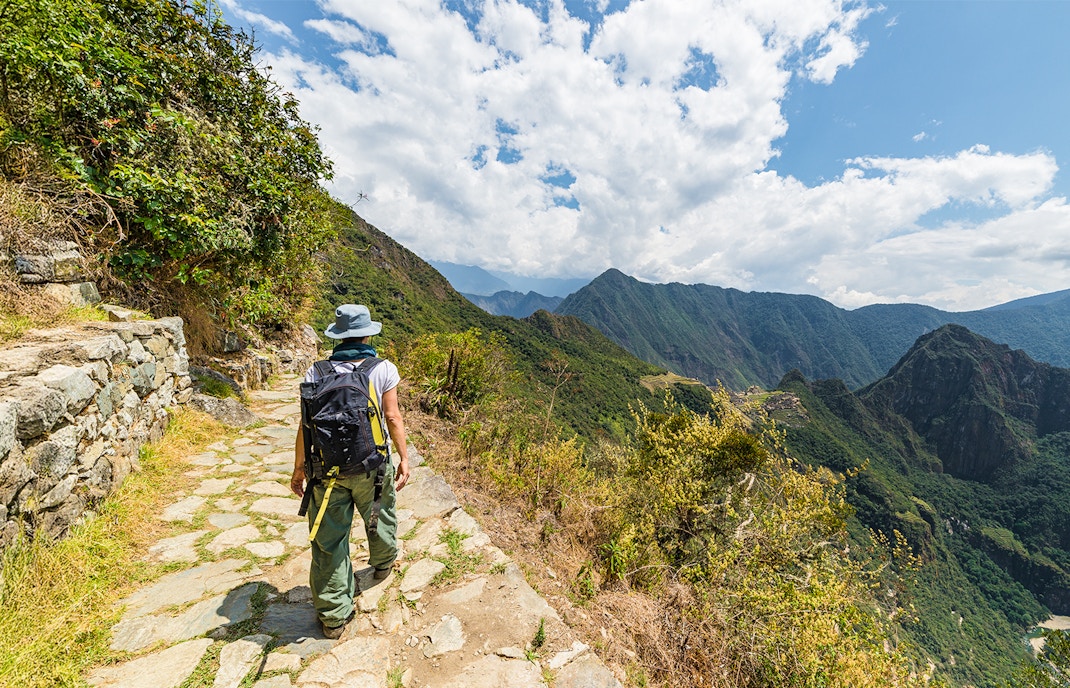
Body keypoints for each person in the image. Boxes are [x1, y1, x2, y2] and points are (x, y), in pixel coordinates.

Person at [291, 303, 411, 639]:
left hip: (326, 470)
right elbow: (393, 418)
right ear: (368, 332)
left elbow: (305, 425)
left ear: (337, 336)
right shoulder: (383, 368)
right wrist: (403, 457)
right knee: (379, 513)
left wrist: (299, 468)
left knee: (329, 541)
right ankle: (383, 562)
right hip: (372, 465)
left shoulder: (316, 372)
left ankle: (333, 617)